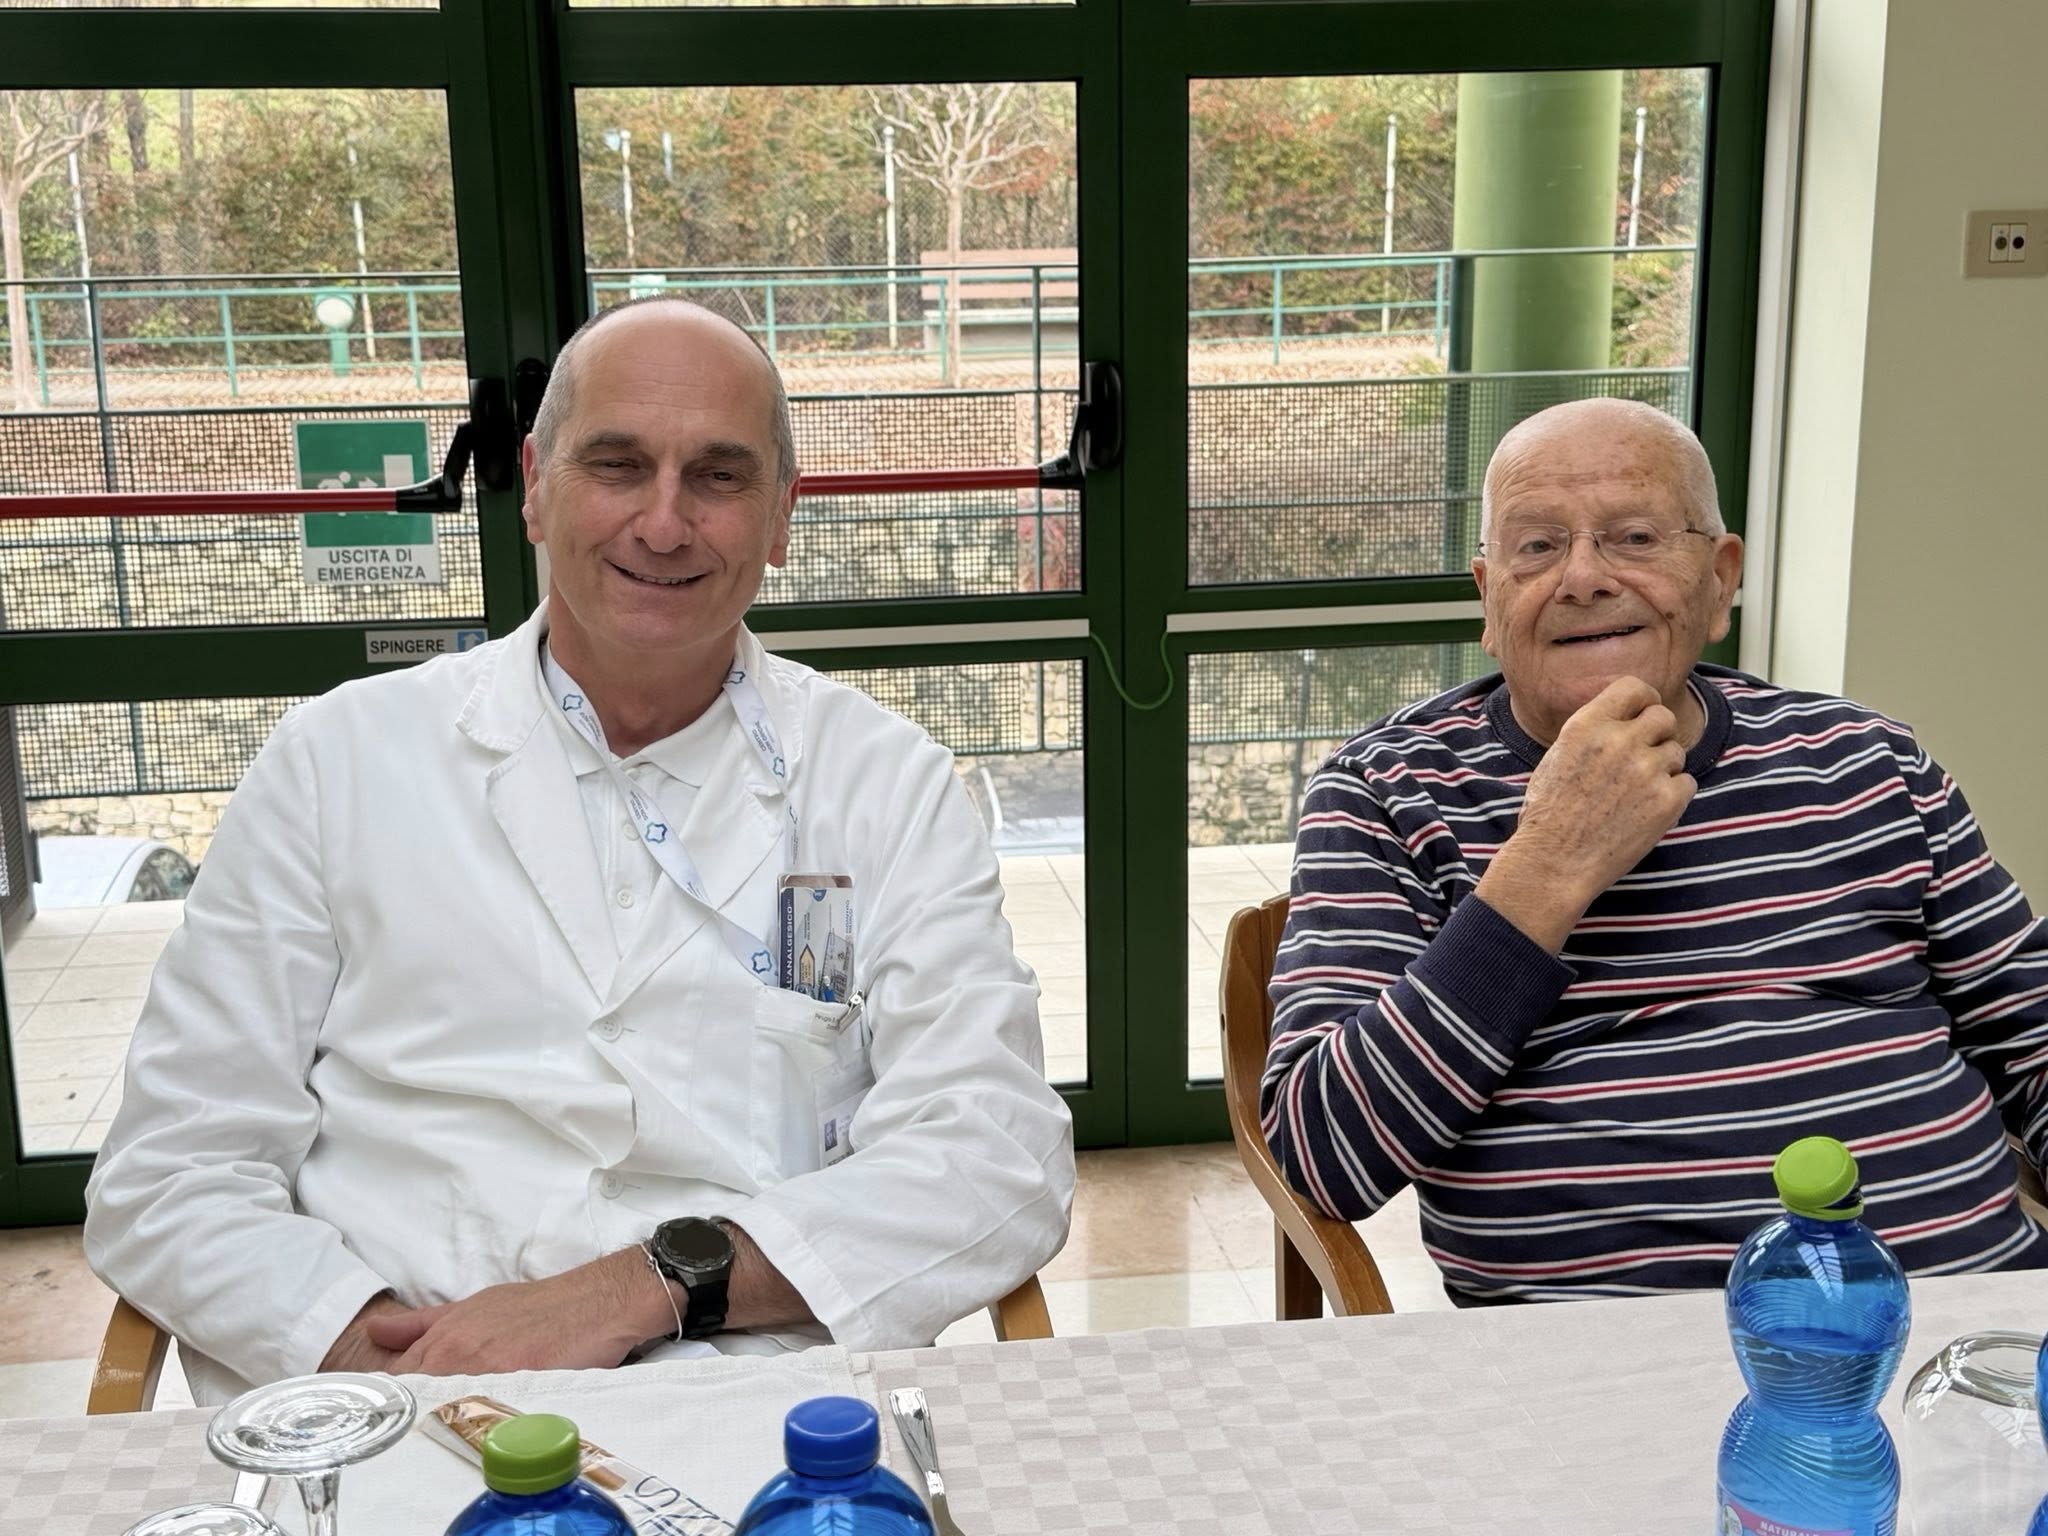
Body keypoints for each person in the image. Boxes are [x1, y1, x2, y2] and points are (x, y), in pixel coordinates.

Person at [84, 298, 1075, 1403]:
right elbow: (173, 1166)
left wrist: (642, 1287)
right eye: (616, 465)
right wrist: (378, 1357)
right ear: (535, 488)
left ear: (781, 517)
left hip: (758, 1396)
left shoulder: (885, 785)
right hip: (385, 1404)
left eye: (718, 476)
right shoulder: (338, 761)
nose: (664, 523)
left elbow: (994, 1154)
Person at [1263, 397, 2048, 1303]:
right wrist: (1548, 865)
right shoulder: (1385, 792)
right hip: (1601, 1355)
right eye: (1537, 546)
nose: (1583, 578)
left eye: (1635, 538)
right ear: (1488, 597)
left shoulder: (1868, 761)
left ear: (1720, 579)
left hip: (1958, 1317)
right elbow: (1325, 1156)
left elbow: (2033, 1040)